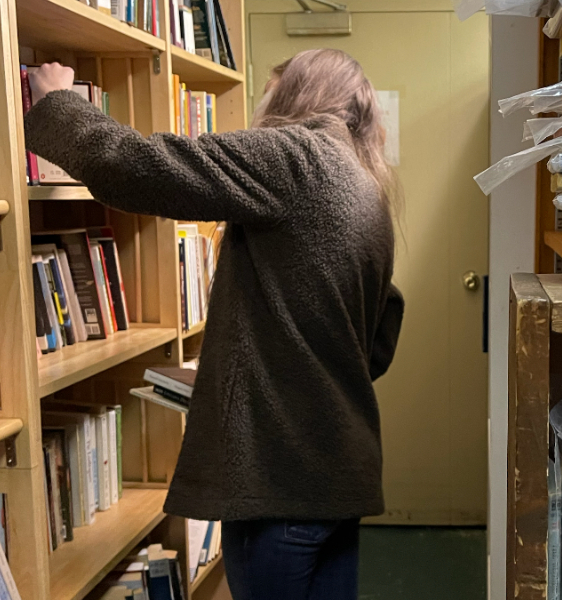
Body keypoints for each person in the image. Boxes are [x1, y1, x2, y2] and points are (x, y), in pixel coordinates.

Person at [26, 49, 404, 600]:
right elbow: (377, 341)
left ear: (298, 96)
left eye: (269, 94)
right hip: (336, 474)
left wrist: (58, 101)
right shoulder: (365, 183)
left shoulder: (296, 156)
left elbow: (134, 167)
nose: (259, 110)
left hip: (279, 482)